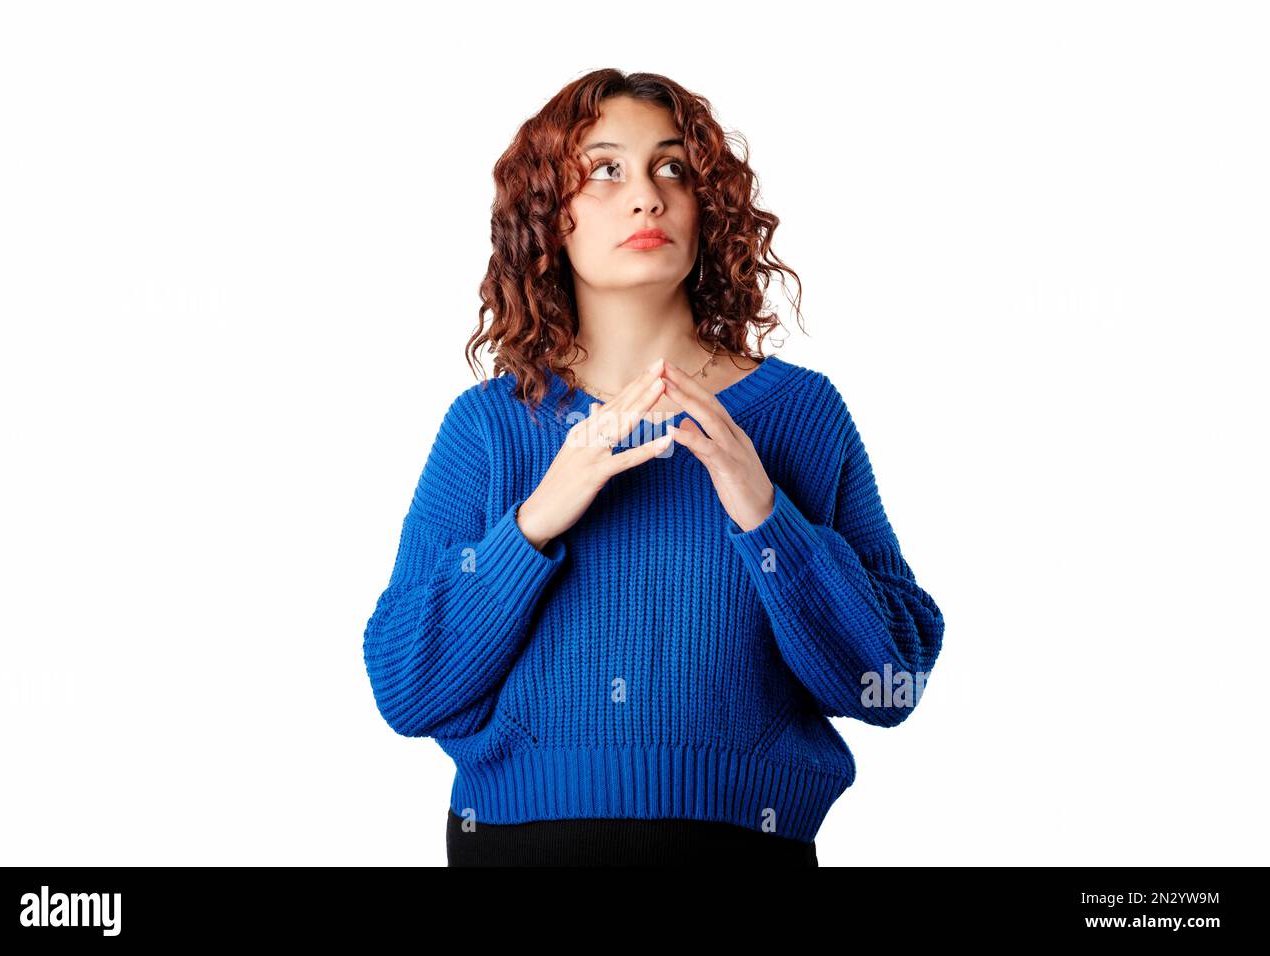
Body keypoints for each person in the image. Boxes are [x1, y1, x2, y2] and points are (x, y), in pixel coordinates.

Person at [362, 69, 946, 867]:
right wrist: (533, 524)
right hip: (519, 853)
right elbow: (407, 687)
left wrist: (768, 515)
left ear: (709, 205)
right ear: (548, 215)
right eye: (605, 170)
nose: (647, 196)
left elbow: (890, 682)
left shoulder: (803, 416)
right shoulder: (489, 427)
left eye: (672, 168)